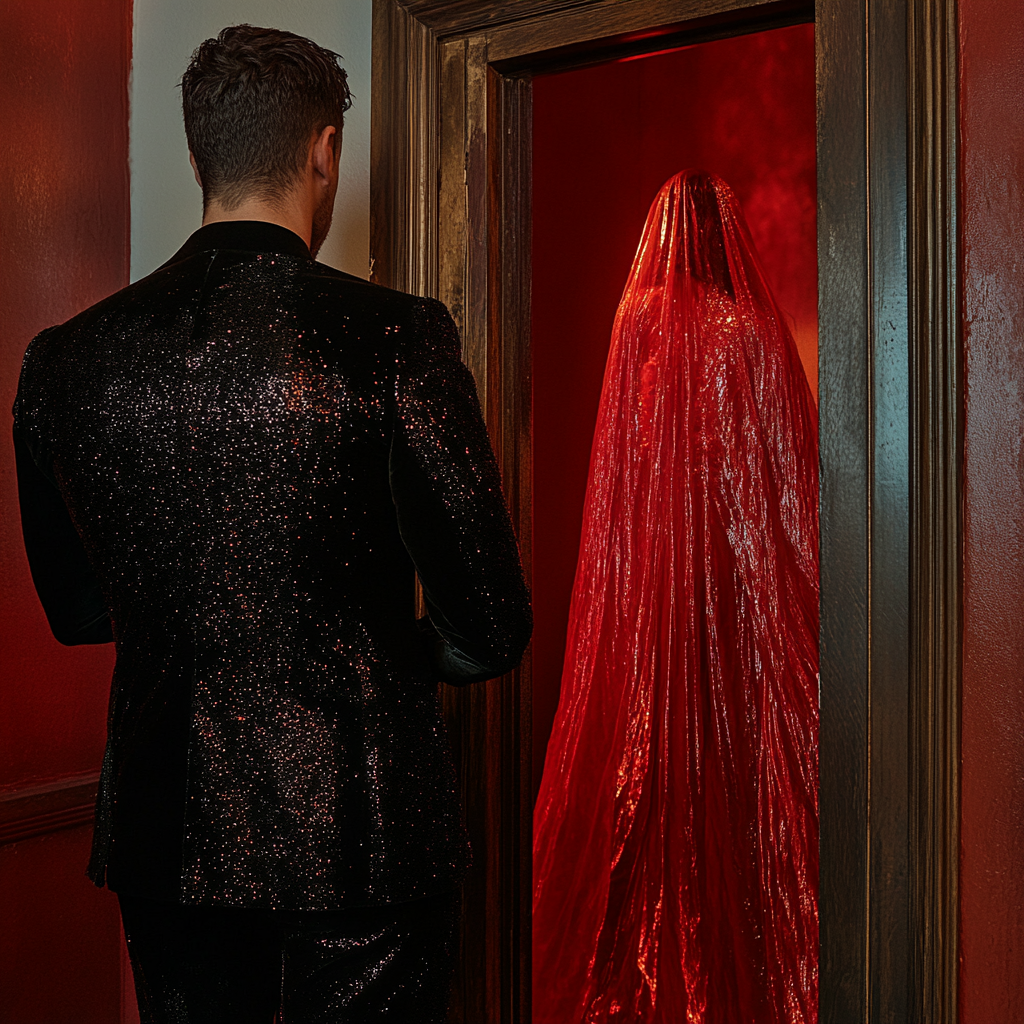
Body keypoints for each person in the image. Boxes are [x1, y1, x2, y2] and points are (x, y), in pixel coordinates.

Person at [13, 24, 531, 1024]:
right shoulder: (393, 334)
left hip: (167, 828)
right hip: (365, 825)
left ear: (200, 152)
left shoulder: (63, 360)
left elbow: (79, 612)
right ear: (324, 150)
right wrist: (372, 654)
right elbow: (490, 624)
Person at [532, 170, 819, 1024]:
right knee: (728, 761)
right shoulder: (749, 327)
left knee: (648, 757)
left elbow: (621, 470)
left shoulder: (638, 319)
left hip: (648, 580)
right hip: (728, 582)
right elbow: (783, 475)